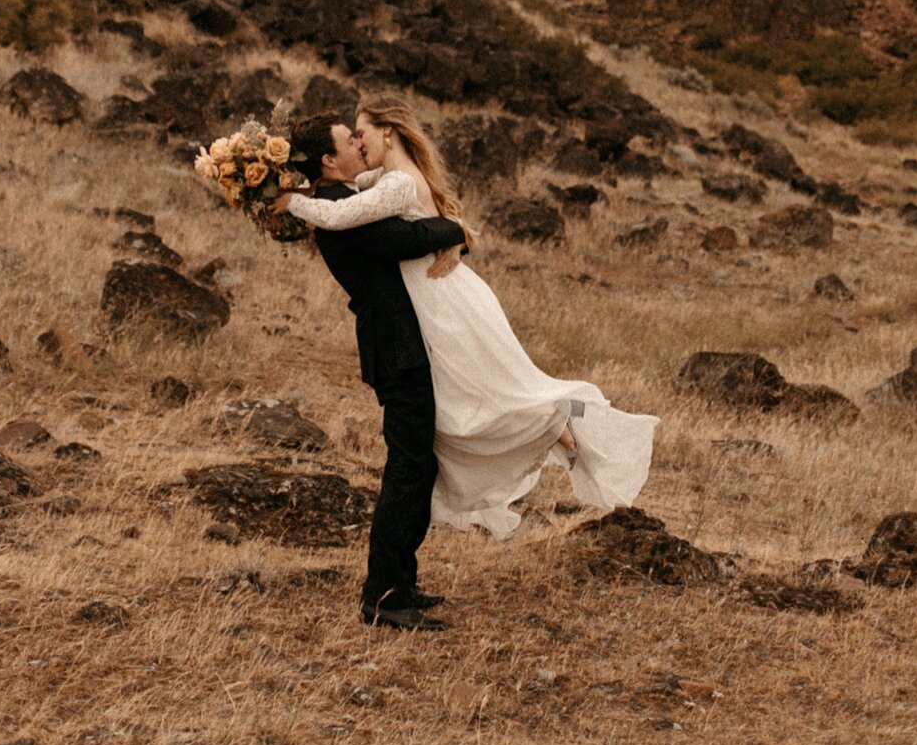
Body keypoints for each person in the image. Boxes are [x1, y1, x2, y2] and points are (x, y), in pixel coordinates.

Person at [281, 96, 656, 542]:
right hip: (430, 298)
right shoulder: (383, 177)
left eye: (361, 133)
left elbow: (343, 212)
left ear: (388, 131)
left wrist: (289, 201)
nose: (359, 145)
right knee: (460, 401)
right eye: (352, 138)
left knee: (475, 393)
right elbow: (344, 201)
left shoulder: (394, 182)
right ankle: (545, 426)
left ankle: (550, 421)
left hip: (437, 297)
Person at [273, 116, 473, 633]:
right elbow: (403, 240)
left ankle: (399, 581)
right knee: (408, 467)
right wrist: (457, 229)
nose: (359, 146)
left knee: (417, 465)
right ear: (327, 160)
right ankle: (383, 597)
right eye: (348, 141)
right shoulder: (339, 208)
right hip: (395, 348)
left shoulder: (344, 198)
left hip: (398, 344)